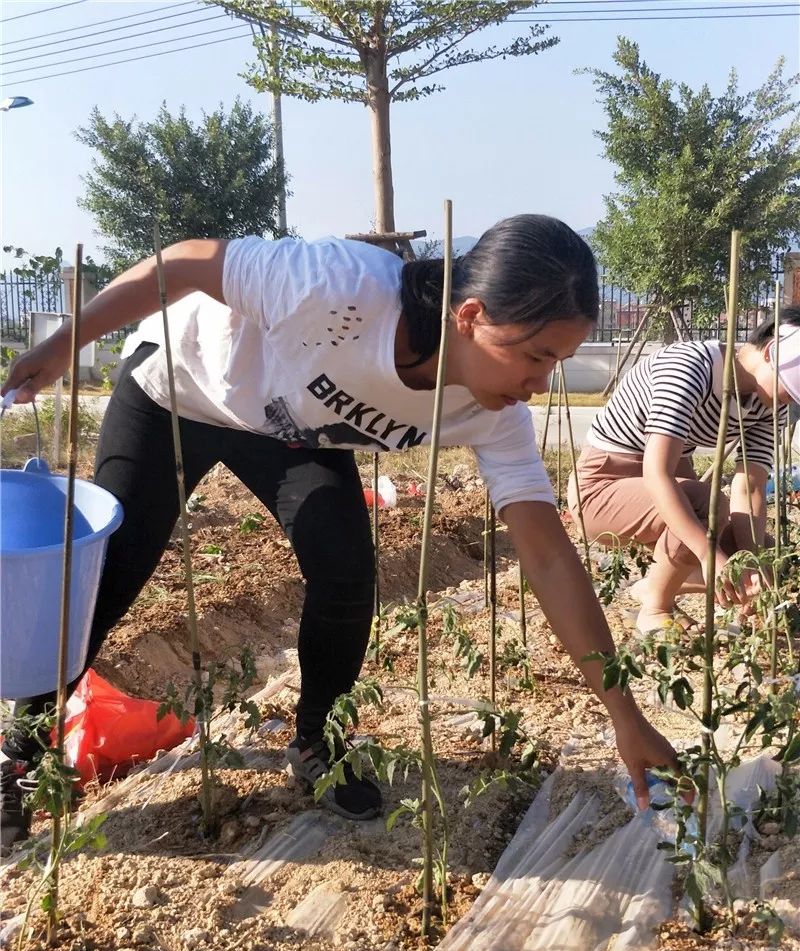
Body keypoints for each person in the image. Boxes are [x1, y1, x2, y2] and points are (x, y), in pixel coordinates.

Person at [1, 214, 679, 851]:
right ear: (469, 316)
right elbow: (183, 265)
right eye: (535, 356)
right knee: (102, 575)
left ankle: (318, 741)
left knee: (346, 569)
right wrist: (66, 345)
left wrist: (625, 716)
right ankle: (19, 756)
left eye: (557, 361)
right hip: (179, 388)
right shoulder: (339, 289)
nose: (539, 383)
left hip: (286, 430)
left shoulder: (492, 413)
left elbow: (550, 559)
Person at [567, 309, 800, 634]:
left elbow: (752, 487)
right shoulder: (691, 368)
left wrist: (750, 564)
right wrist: (710, 559)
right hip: (602, 488)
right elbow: (657, 473)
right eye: (790, 387)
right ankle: (655, 606)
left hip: (665, 492)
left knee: (760, 552)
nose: (789, 399)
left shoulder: (767, 403)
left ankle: (657, 586)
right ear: (769, 351)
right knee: (710, 508)